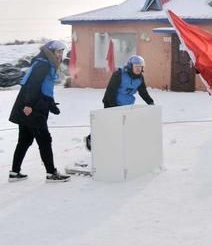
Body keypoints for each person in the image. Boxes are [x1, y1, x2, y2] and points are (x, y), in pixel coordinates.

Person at [9, 40, 70, 182]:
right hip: (32, 109)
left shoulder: (45, 63)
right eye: (58, 52)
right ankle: (51, 173)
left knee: (24, 140)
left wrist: (51, 105)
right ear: (51, 52)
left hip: (30, 106)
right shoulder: (43, 64)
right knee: (44, 140)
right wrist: (29, 104)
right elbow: (33, 85)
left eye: (62, 52)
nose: (60, 55)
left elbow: (45, 88)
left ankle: (14, 172)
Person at [84, 55, 154, 151]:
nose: (138, 68)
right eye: (136, 66)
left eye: (140, 66)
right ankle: (91, 139)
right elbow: (110, 91)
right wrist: (115, 108)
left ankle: (118, 147)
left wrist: (150, 102)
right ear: (130, 66)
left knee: (124, 126)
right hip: (111, 103)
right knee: (108, 125)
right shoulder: (119, 74)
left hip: (127, 105)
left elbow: (143, 92)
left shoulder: (140, 78)